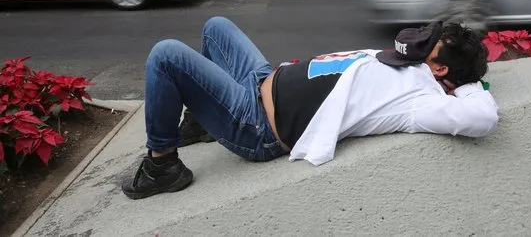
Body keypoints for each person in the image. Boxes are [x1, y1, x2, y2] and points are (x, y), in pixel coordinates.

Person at [121, 17, 499, 200]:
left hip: (256, 125)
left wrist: (468, 85)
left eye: (434, 45)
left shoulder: (421, 102)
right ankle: (201, 125)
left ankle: (162, 165)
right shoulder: (413, 65)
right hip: (261, 81)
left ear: (442, 69)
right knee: (215, 27)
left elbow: (480, 118)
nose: (423, 40)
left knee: (166, 55)